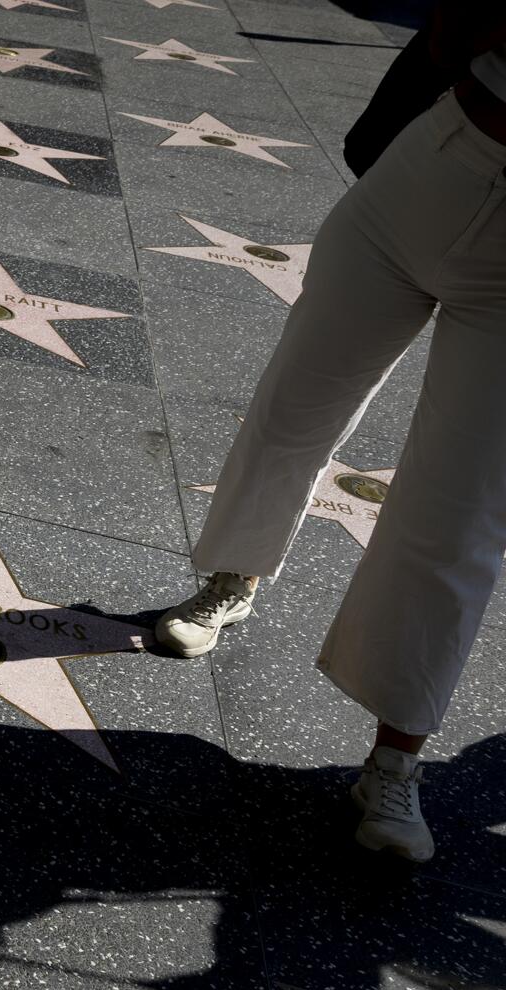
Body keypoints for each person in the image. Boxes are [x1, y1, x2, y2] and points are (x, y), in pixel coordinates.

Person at [156, 8, 506, 864]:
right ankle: (231, 580)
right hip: (436, 160)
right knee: (296, 404)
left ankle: (394, 760)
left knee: (461, 509)